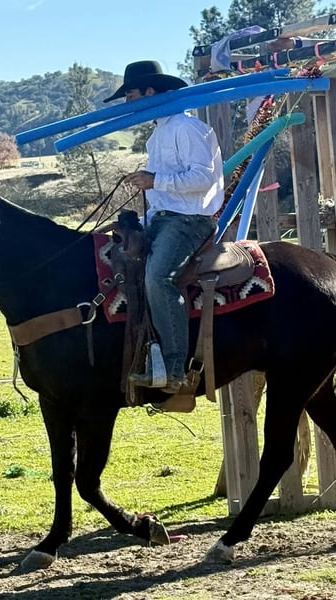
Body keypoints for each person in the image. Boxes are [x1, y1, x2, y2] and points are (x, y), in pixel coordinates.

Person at [104, 61, 224, 394]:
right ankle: (145, 353)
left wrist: (155, 180)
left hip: (189, 220)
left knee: (158, 278)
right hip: (164, 218)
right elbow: (166, 193)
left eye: (131, 95)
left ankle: (174, 370)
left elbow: (204, 178)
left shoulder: (187, 128)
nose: (128, 103)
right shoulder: (158, 134)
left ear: (150, 92)